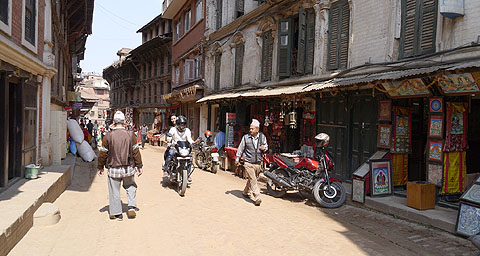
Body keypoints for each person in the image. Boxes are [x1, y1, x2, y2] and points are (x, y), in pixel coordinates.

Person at [97, 111, 143, 221]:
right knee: (131, 186)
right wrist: (139, 166)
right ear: (123, 122)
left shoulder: (108, 136)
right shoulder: (130, 134)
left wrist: (100, 167)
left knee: (114, 190)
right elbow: (135, 151)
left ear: (114, 122)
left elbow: (103, 153)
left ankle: (116, 213)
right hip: (128, 167)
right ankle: (131, 206)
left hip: (113, 168)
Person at [235, 119, 268, 206]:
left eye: (252, 129)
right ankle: (257, 196)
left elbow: (266, 146)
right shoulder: (246, 137)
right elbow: (240, 148)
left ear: (257, 129)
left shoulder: (262, 137)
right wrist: (237, 158)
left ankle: (245, 192)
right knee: (253, 180)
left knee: (252, 178)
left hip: (258, 163)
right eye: (250, 129)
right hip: (248, 162)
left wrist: (264, 148)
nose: (250, 130)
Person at [164, 115, 199, 181]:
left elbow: (189, 139)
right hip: (174, 147)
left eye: (183, 123)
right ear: (177, 123)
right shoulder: (173, 129)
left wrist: (194, 142)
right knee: (170, 154)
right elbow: (169, 137)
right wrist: (169, 141)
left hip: (184, 148)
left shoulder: (187, 130)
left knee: (190, 158)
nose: (181, 125)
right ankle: (166, 170)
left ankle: (188, 174)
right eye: (180, 123)